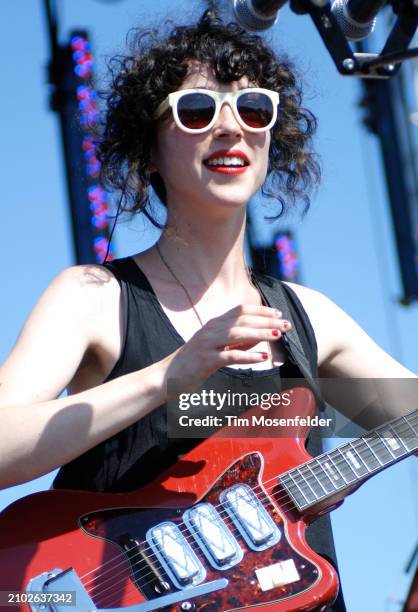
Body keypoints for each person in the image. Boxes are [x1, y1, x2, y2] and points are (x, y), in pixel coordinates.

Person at [0, 11, 416, 611]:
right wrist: (170, 376)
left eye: (253, 110)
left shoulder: (312, 318)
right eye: (198, 110)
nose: (231, 129)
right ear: (149, 148)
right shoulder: (92, 297)